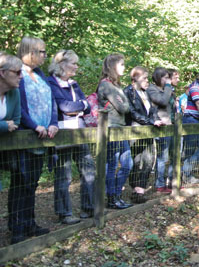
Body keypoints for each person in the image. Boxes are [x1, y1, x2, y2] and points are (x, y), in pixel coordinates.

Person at [14, 37, 57, 243]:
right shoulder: (17, 73)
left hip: (42, 138)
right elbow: (17, 106)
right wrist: (33, 125)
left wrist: (53, 122)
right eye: (41, 52)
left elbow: (52, 101)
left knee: (32, 183)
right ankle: (17, 228)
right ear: (30, 52)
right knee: (20, 183)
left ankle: (29, 223)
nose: (44, 56)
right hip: (24, 136)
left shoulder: (40, 74)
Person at [47, 50, 95, 222]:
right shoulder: (51, 83)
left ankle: (89, 208)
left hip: (79, 132)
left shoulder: (74, 84)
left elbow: (88, 106)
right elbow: (64, 106)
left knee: (89, 170)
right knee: (64, 174)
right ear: (61, 64)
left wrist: (79, 106)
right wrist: (80, 105)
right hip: (62, 134)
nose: (76, 66)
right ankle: (64, 213)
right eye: (73, 63)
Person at [97, 53, 133, 209]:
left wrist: (123, 102)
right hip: (111, 128)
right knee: (112, 164)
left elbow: (126, 105)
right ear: (113, 66)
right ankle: (111, 198)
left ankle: (116, 194)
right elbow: (123, 107)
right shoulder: (106, 85)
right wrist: (123, 102)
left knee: (127, 163)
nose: (124, 67)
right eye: (122, 64)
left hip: (120, 128)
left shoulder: (117, 86)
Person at [124, 66, 163, 202]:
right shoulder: (128, 92)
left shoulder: (146, 93)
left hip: (148, 130)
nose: (147, 81)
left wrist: (156, 120)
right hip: (135, 131)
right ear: (135, 78)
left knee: (149, 160)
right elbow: (131, 112)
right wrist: (149, 122)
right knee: (136, 160)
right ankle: (136, 189)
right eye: (144, 78)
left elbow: (152, 110)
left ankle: (141, 189)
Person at [0, 53, 24, 243]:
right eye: (17, 72)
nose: (20, 76)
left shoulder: (14, 93)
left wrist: (6, 125)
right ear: (3, 73)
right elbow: (7, 125)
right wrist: (2, 126)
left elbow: (15, 121)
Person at [147, 67, 174, 193]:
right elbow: (162, 101)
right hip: (161, 127)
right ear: (158, 78)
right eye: (165, 77)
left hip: (171, 126)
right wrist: (168, 87)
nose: (168, 80)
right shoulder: (152, 89)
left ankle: (172, 182)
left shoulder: (166, 90)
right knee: (162, 157)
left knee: (173, 155)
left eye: (168, 78)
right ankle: (159, 184)